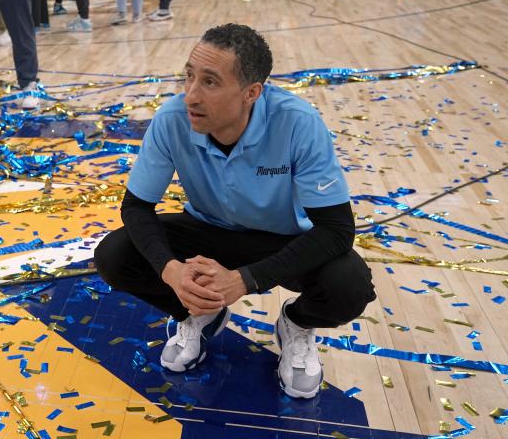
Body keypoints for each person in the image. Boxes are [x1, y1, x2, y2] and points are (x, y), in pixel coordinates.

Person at [94, 23, 375, 398]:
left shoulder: (299, 123)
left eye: (210, 82)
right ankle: (196, 313)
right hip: (207, 230)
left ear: (251, 93)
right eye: (189, 76)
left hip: (281, 238)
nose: (191, 95)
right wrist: (171, 270)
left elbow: (337, 229)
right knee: (115, 255)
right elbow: (137, 206)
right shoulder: (171, 119)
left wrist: (245, 279)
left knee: (349, 287)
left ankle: (295, 324)